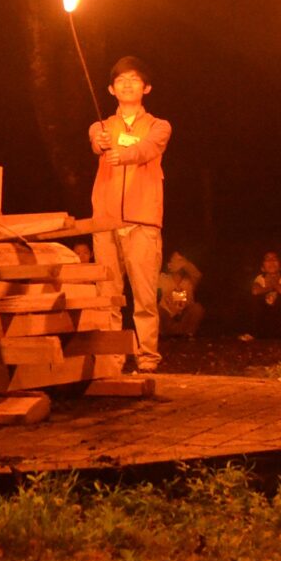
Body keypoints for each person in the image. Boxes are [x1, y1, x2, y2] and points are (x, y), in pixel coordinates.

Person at [88, 56, 172, 374]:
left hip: (143, 220)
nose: (127, 84)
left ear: (146, 87)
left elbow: (150, 148)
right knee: (108, 295)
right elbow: (96, 141)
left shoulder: (159, 125)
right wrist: (100, 142)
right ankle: (112, 357)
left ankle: (148, 358)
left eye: (135, 79)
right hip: (106, 219)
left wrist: (125, 154)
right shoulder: (101, 126)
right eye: (121, 80)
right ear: (111, 89)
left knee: (144, 294)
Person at [157, 251, 205, 337]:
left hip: (184, 319)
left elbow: (197, 275)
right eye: (175, 260)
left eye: (181, 260)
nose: (179, 263)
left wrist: (184, 264)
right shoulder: (163, 278)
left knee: (197, 308)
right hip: (168, 318)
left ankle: (187, 334)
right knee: (156, 309)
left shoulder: (189, 280)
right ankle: (164, 334)